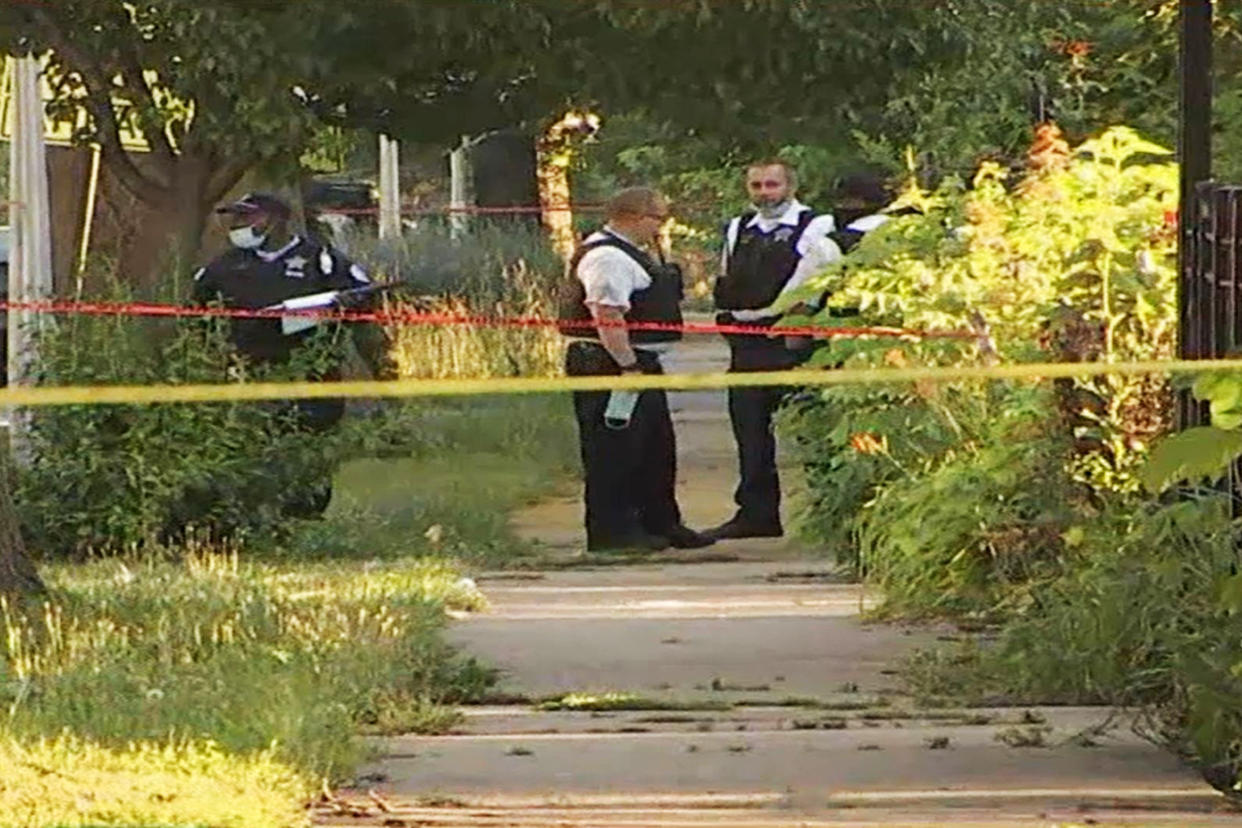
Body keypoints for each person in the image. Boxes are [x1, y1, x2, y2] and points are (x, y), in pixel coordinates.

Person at [191, 191, 388, 517]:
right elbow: (196, 310)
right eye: (236, 218)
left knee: (309, 448)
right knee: (254, 447)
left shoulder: (319, 258)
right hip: (251, 373)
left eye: (248, 217)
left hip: (313, 373)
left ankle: (305, 516)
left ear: (275, 220)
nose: (238, 225)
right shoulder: (226, 266)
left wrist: (345, 306)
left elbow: (361, 295)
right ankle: (250, 516)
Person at [557, 187, 714, 553]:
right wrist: (627, 365)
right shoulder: (607, 257)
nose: (661, 227)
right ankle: (614, 532)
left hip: (636, 361)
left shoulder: (635, 254)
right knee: (615, 449)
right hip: (608, 363)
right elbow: (607, 314)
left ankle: (659, 522)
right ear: (634, 217)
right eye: (658, 218)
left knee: (653, 446)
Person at [708, 160, 842, 540]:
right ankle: (756, 514)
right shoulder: (738, 228)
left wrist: (796, 329)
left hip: (791, 339)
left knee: (810, 431)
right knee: (750, 431)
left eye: (771, 184)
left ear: (790, 186)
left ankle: (828, 512)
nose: (764, 192)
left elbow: (816, 284)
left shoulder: (817, 225)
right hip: (745, 340)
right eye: (756, 185)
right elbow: (726, 276)